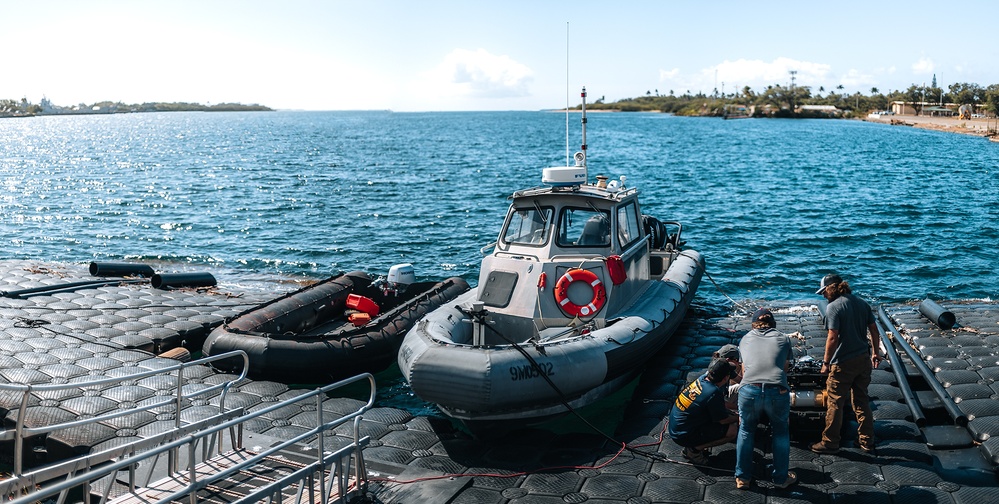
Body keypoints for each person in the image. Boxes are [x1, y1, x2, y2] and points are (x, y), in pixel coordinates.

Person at [811, 273, 883, 454]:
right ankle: (867, 441)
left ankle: (830, 442)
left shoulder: (833, 308)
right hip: (863, 359)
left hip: (842, 363)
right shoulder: (861, 303)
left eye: (824, 292)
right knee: (861, 401)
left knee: (835, 402)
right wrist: (875, 353)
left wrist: (826, 362)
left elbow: (832, 337)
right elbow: (874, 330)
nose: (823, 295)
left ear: (831, 288)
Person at [734, 308, 796, 490]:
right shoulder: (784, 338)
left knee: (746, 430)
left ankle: (742, 478)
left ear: (753, 324)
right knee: (780, 432)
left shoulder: (744, 339)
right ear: (773, 324)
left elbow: (744, 372)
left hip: (749, 390)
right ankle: (780, 478)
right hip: (777, 390)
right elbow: (784, 369)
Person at [668, 358, 740, 464]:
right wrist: (740, 416)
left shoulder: (703, 379)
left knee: (729, 416)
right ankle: (693, 450)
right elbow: (723, 420)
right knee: (732, 430)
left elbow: (720, 405)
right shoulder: (713, 392)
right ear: (726, 378)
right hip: (683, 435)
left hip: (678, 428)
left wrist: (735, 411)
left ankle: (695, 443)